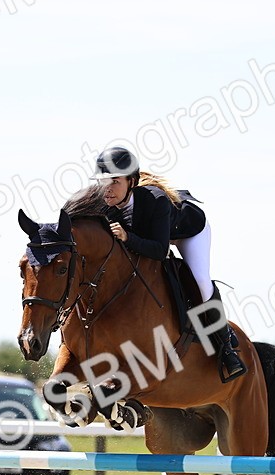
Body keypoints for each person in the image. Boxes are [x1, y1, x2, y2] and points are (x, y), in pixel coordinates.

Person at [92, 145, 246, 383]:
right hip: (150, 236)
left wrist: (127, 237)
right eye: (103, 182)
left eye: (115, 181)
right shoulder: (103, 206)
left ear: (132, 181)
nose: (108, 189)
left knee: (201, 283)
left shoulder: (156, 200)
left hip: (187, 232)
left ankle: (226, 345)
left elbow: (160, 250)